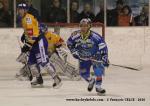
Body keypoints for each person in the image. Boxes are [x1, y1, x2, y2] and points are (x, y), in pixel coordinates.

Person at [17, 3, 62, 88]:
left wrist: (27, 45)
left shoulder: (28, 18)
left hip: (39, 42)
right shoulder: (24, 18)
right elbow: (30, 32)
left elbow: (33, 34)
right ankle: (39, 79)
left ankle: (57, 79)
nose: (20, 11)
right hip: (33, 43)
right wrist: (26, 39)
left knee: (44, 62)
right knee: (31, 63)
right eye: (19, 9)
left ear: (25, 10)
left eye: (21, 9)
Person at [67, 18, 109, 95]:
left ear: (89, 26)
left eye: (86, 26)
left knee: (98, 72)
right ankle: (91, 81)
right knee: (83, 74)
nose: (83, 28)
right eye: (82, 26)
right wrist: (74, 51)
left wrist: (104, 57)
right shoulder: (75, 35)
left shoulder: (96, 36)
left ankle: (98, 87)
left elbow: (103, 46)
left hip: (96, 56)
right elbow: (69, 43)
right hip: (83, 57)